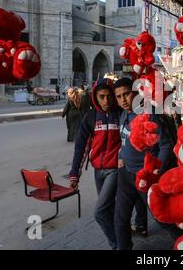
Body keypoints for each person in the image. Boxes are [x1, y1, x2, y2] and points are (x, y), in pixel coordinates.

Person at [113, 77, 183, 250]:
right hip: (126, 176)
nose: (123, 100)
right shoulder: (123, 114)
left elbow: (166, 145)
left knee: (162, 218)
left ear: (135, 93)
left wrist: (155, 171)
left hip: (146, 178)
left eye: (126, 94)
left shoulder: (148, 113)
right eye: (119, 96)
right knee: (120, 220)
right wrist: (121, 156)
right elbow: (125, 140)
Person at [68, 78, 122, 249]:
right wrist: (74, 173)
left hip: (115, 170)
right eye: (102, 97)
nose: (106, 101)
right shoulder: (90, 117)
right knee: (109, 209)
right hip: (98, 170)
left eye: (109, 97)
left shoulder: (120, 114)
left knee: (100, 212)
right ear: (95, 98)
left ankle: (118, 245)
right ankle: (121, 235)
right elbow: (80, 147)